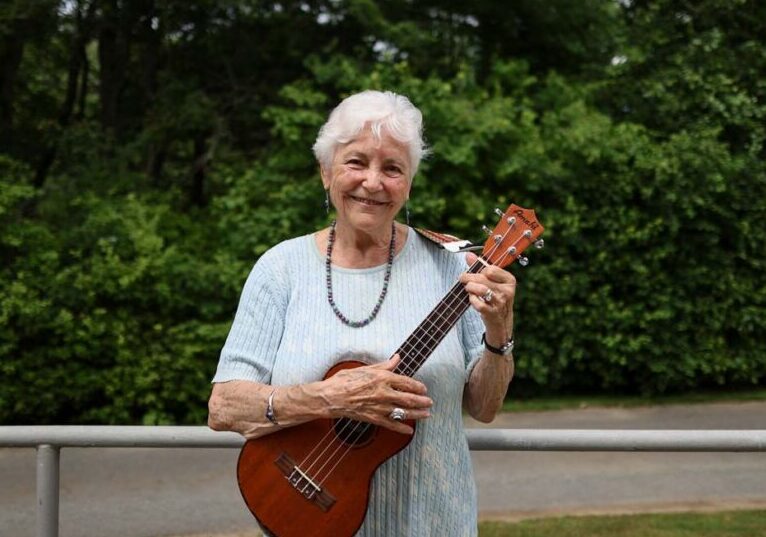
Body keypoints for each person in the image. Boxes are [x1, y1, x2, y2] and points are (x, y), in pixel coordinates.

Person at [208, 90, 517, 536]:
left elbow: (485, 407)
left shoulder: (454, 266)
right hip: (307, 520)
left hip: (433, 523)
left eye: (392, 168)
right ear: (325, 172)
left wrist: (498, 328)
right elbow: (224, 407)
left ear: (408, 183)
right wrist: (331, 398)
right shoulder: (280, 269)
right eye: (356, 162)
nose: (373, 182)